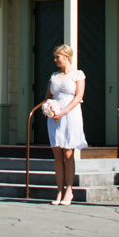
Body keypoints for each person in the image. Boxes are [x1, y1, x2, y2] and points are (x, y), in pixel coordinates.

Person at [44, 44, 87, 206]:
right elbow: (48, 96)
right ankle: (59, 190)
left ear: (67, 57)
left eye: (58, 57)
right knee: (57, 153)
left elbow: (78, 96)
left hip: (71, 113)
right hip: (55, 116)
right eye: (55, 57)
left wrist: (63, 111)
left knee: (68, 152)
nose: (55, 60)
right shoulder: (54, 76)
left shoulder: (78, 74)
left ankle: (69, 190)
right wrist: (49, 108)